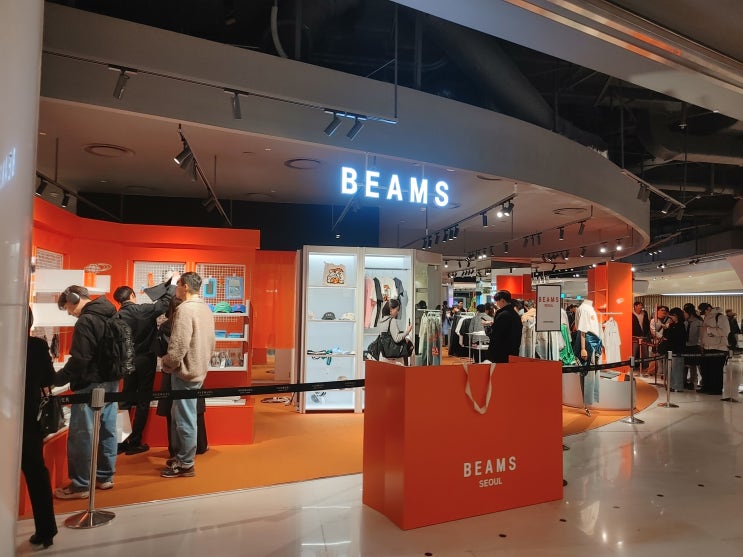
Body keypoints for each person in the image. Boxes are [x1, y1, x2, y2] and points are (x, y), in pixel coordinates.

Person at [54, 285, 119, 498]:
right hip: (112, 381)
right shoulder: (111, 313)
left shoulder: (86, 321)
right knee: (108, 430)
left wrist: (58, 379)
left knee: (82, 434)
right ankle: (105, 477)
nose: (69, 313)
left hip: (90, 384)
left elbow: (81, 358)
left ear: (74, 299)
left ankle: (81, 484)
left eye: (67, 307)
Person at [113, 272, 177, 455]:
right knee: (143, 400)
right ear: (132, 295)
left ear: (119, 301)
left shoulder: (117, 317)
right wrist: (172, 283)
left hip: (127, 360)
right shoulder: (143, 310)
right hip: (146, 358)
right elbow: (164, 303)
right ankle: (135, 442)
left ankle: (120, 443)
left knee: (125, 400)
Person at [160, 272, 215, 478]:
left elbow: (178, 346)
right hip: (198, 369)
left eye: (178, 285)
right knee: (182, 416)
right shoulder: (205, 309)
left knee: (184, 419)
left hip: (185, 372)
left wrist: (167, 364)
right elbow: (212, 342)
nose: (176, 288)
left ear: (184, 286)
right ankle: (182, 458)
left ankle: (185, 463)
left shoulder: (185, 310)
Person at [155, 296, 209, 457]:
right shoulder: (198, 321)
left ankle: (179, 452)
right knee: (194, 411)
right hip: (194, 369)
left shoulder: (167, 326)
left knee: (175, 415)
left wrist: (168, 363)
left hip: (174, 371)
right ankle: (199, 446)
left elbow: (164, 350)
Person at [22, 308, 58, 548]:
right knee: (36, 473)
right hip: (28, 417)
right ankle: (46, 530)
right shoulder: (36, 346)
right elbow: (49, 379)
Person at [698, 303, 730, 395]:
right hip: (706, 347)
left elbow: (726, 331)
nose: (704, 313)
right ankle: (706, 387)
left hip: (719, 348)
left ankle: (716, 389)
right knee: (706, 369)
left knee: (716, 370)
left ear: (708, 308)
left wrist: (709, 329)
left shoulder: (720, 317)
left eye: (704, 311)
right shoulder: (706, 317)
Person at [485, 290, 522, 363]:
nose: (497, 304)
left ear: (502, 300)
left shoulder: (503, 315)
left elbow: (495, 334)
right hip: (512, 351)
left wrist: (487, 327)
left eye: (497, 301)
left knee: (499, 369)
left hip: (500, 352)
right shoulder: (515, 314)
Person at [378, 298, 414, 365]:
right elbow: (396, 338)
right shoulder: (392, 321)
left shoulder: (382, 321)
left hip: (384, 356)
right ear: (391, 309)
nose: (397, 312)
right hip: (394, 358)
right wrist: (407, 331)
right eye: (397, 310)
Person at [665, 308, 687, 392]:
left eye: (673, 315)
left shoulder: (681, 325)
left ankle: (678, 386)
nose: (671, 317)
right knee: (671, 369)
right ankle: (671, 385)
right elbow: (667, 335)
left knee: (677, 369)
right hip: (671, 349)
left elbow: (679, 338)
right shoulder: (672, 325)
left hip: (678, 350)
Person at [683, 303, 703, 390]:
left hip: (695, 346)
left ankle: (693, 380)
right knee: (685, 364)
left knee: (693, 365)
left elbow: (701, 336)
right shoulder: (684, 323)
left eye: (685, 312)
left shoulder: (699, 322)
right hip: (685, 345)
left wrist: (700, 345)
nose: (683, 314)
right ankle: (684, 380)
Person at [631, 301, 651, 376]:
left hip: (644, 335)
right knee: (634, 352)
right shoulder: (631, 314)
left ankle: (645, 367)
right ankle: (632, 366)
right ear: (635, 306)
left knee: (645, 352)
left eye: (641, 305)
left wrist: (647, 333)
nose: (641, 307)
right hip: (635, 336)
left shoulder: (644, 313)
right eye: (639, 305)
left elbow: (646, 324)